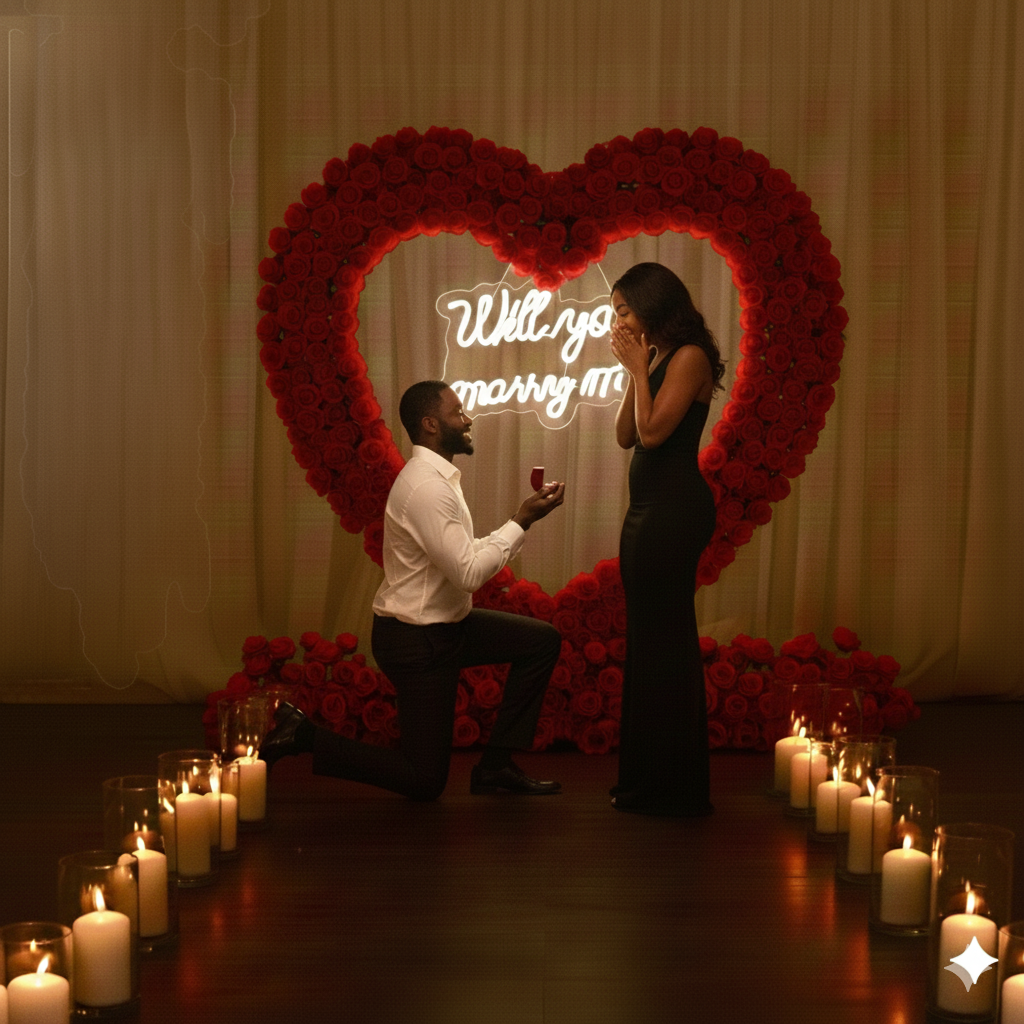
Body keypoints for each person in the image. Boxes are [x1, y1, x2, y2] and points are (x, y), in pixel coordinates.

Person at [260, 380, 566, 799]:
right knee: (424, 781)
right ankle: (303, 735)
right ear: (431, 424)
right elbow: (468, 573)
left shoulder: (439, 479)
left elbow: (459, 555)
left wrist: (518, 520)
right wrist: (522, 521)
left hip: (446, 628)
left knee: (541, 642)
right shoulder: (427, 487)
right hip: (416, 642)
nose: (468, 418)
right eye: (457, 412)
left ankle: (495, 766)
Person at [607, 263, 726, 817]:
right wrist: (636, 369)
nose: (618, 321)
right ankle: (644, 778)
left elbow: (655, 435)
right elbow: (626, 433)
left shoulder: (691, 356)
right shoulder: (657, 357)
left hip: (675, 512)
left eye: (624, 310)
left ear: (653, 306)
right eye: (615, 311)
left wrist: (638, 372)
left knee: (667, 645)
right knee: (647, 643)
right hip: (647, 512)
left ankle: (673, 788)